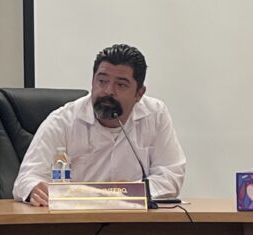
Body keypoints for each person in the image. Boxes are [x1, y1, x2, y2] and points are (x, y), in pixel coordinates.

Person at [12, 44, 186, 206]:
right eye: (102, 81)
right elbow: (27, 178)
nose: (109, 91)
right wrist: (34, 188)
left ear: (139, 93)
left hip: (135, 224)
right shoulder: (63, 121)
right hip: (74, 225)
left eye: (121, 85)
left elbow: (171, 175)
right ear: (92, 81)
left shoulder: (154, 115)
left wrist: (129, 192)